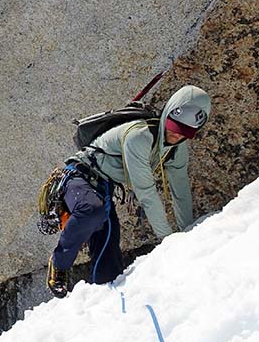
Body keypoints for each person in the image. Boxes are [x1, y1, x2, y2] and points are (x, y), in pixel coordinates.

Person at [47, 85, 212, 297]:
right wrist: (170, 241)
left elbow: (180, 190)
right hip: (78, 177)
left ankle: (104, 305)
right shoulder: (139, 136)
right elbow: (146, 192)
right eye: (173, 127)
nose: (175, 135)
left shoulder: (176, 149)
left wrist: (188, 231)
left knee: (109, 262)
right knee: (91, 210)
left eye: (184, 133)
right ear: (167, 115)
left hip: (103, 189)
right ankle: (60, 263)